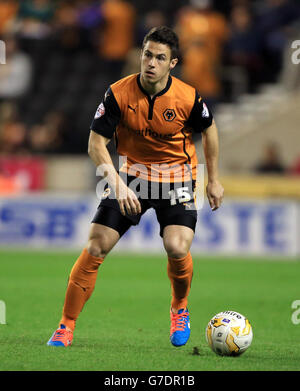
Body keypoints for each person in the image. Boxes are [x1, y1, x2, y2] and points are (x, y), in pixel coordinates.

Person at [47, 26, 224, 348]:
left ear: (172, 63)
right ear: (140, 55)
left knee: (177, 247)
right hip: (132, 176)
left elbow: (209, 130)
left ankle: (179, 308)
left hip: (177, 177)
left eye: (160, 57)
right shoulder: (117, 93)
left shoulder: (188, 97)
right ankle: (65, 325)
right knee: (96, 245)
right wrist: (117, 183)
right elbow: (95, 144)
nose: (151, 63)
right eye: (147, 55)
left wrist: (213, 180)